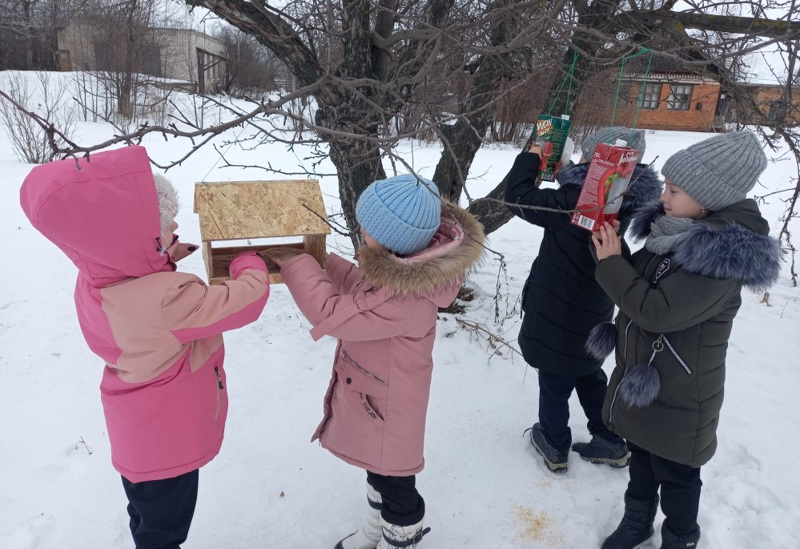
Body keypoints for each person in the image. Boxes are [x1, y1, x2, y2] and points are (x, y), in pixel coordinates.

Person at [19, 146, 270, 549]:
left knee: (146, 518)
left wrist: (162, 255)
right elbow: (245, 301)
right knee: (164, 534)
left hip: (137, 439)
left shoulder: (96, 283)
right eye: (165, 225)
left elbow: (135, 284)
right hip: (171, 445)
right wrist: (248, 261)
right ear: (140, 238)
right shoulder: (170, 299)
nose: (174, 223)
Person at [267, 174, 484, 549]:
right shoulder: (404, 267)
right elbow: (359, 286)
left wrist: (297, 264)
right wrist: (322, 261)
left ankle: (401, 538)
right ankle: (375, 529)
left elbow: (332, 313)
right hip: (376, 397)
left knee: (395, 482)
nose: (360, 229)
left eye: (366, 225)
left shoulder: (407, 296)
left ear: (391, 238)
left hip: (388, 408)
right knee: (379, 470)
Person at [590, 131, 781, 548]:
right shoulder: (675, 230)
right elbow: (637, 280)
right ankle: (637, 521)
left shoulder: (719, 257)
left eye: (675, 190)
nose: (663, 197)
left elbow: (658, 312)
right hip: (646, 382)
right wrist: (611, 250)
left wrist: (611, 266)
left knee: (677, 478)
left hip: (681, 395)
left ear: (707, 199)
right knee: (640, 460)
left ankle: (680, 537)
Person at [504, 127, 662, 474]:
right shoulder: (624, 201)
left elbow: (517, 197)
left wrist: (533, 155)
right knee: (589, 373)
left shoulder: (574, 203)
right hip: (595, 308)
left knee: (555, 379)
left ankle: (554, 443)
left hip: (557, 311)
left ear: (596, 161)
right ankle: (609, 438)